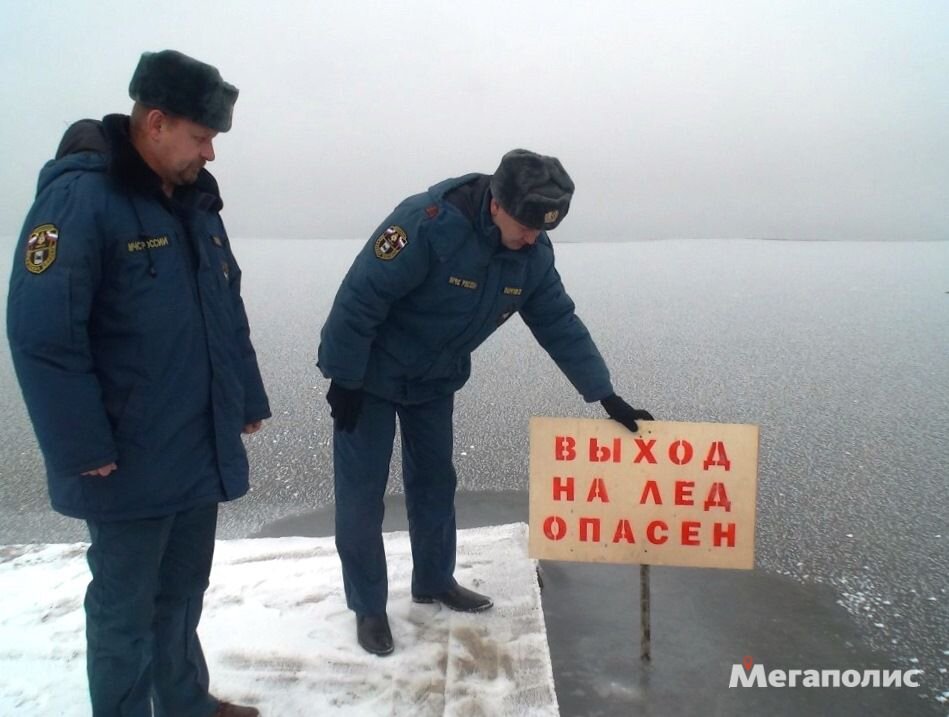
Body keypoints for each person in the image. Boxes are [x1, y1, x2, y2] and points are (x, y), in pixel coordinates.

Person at [7, 50, 270, 717]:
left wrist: (245, 393)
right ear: (155, 122)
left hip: (196, 441)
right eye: (201, 136)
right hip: (124, 454)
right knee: (124, 610)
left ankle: (184, 702)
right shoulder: (81, 200)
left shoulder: (194, 203)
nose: (210, 152)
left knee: (182, 592)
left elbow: (225, 304)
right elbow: (42, 332)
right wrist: (81, 444)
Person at [317, 148, 653, 656]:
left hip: (434, 380)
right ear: (497, 204)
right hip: (370, 377)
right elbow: (360, 296)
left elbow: (558, 322)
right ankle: (368, 607)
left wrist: (605, 394)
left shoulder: (532, 256)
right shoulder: (426, 224)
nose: (533, 237)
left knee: (435, 482)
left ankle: (435, 580)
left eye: (543, 229)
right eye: (526, 226)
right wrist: (343, 378)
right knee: (362, 495)